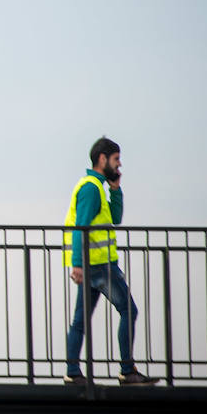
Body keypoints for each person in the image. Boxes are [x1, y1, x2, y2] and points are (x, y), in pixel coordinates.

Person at [63, 137, 158, 386]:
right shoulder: (91, 188)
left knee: (79, 321)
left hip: (93, 265)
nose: (119, 165)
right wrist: (77, 264)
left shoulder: (97, 187)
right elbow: (80, 227)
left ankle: (72, 373)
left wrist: (115, 190)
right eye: (116, 159)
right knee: (129, 310)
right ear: (102, 159)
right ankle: (127, 370)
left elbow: (115, 218)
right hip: (100, 266)